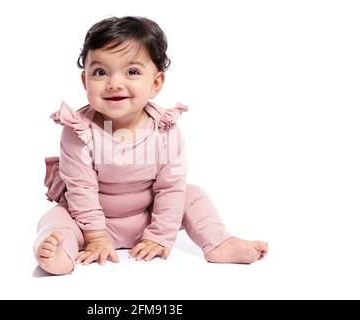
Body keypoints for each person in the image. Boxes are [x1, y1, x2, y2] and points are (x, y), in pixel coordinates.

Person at [34, 16, 268, 275]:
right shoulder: (78, 131)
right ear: (85, 81)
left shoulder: (165, 129)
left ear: (155, 83)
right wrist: (96, 237)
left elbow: (170, 188)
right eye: (100, 72)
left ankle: (218, 241)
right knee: (54, 219)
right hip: (88, 222)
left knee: (192, 195)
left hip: (146, 217)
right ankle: (58, 254)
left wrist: (159, 236)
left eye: (132, 72)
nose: (114, 83)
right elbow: (81, 189)